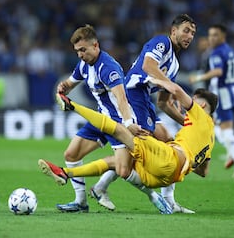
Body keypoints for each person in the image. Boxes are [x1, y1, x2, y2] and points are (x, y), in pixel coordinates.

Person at [38, 79, 217, 214]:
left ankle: (72, 105)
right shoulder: (211, 136)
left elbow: (176, 90)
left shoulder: (199, 114)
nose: (187, 106)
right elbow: (203, 172)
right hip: (168, 177)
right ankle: (66, 173)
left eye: (193, 101)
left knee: (121, 131)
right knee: (119, 162)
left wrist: (158, 79)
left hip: (168, 160)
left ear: (201, 105)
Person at [53, 24, 164, 213]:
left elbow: (121, 97)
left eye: (83, 50)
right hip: (100, 119)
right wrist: (64, 88)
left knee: (124, 170)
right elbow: (71, 83)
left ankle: (155, 197)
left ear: (95, 46)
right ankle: (81, 202)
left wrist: (128, 124)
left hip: (117, 122)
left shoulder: (107, 67)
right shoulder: (84, 64)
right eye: (77, 51)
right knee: (70, 154)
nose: (80, 54)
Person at [124, 14, 196, 212]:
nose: (189, 36)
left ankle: (170, 201)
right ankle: (102, 186)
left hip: (145, 99)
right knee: (141, 145)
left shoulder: (175, 65)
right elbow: (148, 66)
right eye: (186, 30)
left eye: (193, 33)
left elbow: (163, 103)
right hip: (132, 92)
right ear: (174, 31)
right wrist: (172, 86)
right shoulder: (162, 42)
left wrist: (187, 122)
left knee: (167, 140)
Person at [189, 24, 234, 177]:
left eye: (215, 35)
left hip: (223, 94)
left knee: (225, 128)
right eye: (210, 35)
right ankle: (231, 152)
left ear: (223, 36)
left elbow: (218, 71)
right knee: (214, 125)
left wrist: (198, 77)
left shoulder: (216, 53)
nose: (211, 38)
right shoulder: (230, 50)